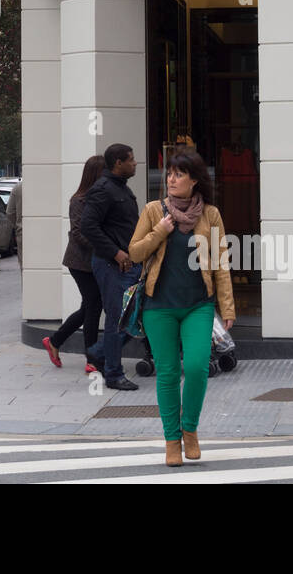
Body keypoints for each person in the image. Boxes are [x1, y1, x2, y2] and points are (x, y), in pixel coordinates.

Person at [129, 148, 236, 467]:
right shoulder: (152, 211)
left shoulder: (210, 214)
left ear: (194, 180)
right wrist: (159, 231)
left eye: (178, 174)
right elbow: (134, 253)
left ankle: (190, 430)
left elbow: (220, 262)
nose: (171, 179)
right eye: (169, 173)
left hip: (197, 306)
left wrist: (227, 306)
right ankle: (172, 440)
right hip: (158, 306)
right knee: (168, 372)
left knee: (197, 367)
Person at [78, 143, 142, 391]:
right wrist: (115, 253)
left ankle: (98, 352)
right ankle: (114, 374)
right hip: (111, 265)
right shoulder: (102, 190)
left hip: (128, 264)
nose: (135, 163)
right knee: (119, 319)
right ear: (118, 163)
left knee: (135, 316)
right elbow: (88, 226)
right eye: (132, 159)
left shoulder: (120, 188)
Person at [43, 155, 104, 372]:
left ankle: (56, 341)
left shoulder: (101, 198)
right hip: (80, 262)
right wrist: (105, 247)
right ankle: (91, 358)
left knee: (90, 306)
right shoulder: (78, 200)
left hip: (96, 261)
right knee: (93, 306)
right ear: (95, 175)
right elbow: (78, 233)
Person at [6, 180, 22, 266]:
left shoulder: (18, 188)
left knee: (25, 266)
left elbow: (9, 212)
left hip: (22, 232)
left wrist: (17, 225)